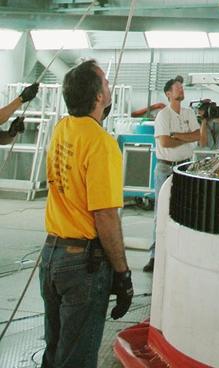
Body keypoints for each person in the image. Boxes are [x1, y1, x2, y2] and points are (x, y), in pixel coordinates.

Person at [40, 60, 133, 368]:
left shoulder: (63, 128)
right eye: (105, 82)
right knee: (76, 359)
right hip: (83, 266)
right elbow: (105, 215)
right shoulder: (101, 144)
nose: (110, 86)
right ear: (97, 97)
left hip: (52, 257)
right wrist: (122, 273)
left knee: (54, 353)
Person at [144, 76, 200, 273]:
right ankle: (155, 255)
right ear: (169, 94)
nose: (181, 90)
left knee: (185, 209)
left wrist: (176, 136)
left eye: (182, 87)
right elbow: (165, 143)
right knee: (161, 211)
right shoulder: (163, 116)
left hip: (185, 167)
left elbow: (198, 135)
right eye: (178, 88)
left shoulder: (189, 113)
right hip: (166, 168)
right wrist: (184, 138)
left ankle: (181, 252)